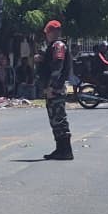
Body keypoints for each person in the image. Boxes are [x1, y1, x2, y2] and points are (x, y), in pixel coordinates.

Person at [39, 20, 73, 161]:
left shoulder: (58, 45)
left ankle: (65, 151)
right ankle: (60, 149)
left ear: (53, 32)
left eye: (47, 33)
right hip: (54, 88)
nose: (46, 36)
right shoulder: (53, 46)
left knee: (59, 120)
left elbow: (57, 68)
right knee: (55, 120)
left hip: (56, 89)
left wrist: (51, 87)